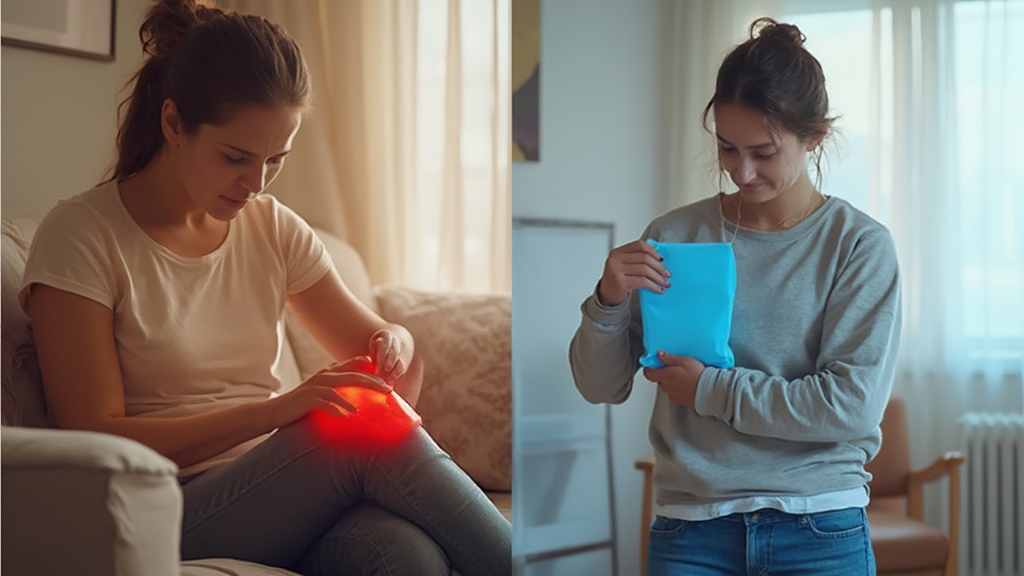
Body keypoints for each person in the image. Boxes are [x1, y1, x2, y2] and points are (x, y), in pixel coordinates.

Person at [19, 1, 510, 575]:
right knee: (356, 436)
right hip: (157, 507)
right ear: (174, 123)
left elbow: (375, 339)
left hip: (280, 494)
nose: (254, 184)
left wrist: (392, 339)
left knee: (408, 557)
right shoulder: (83, 236)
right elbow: (95, 438)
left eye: (275, 160)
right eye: (236, 158)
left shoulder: (271, 227)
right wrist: (275, 413)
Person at [570, 17, 900, 575]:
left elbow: (850, 407)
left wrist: (711, 391)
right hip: (691, 528)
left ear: (814, 136)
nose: (741, 171)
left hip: (819, 526)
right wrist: (605, 300)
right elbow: (600, 386)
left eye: (764, 153)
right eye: (727, 148)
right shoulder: (673, 236)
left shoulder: (859, 246)